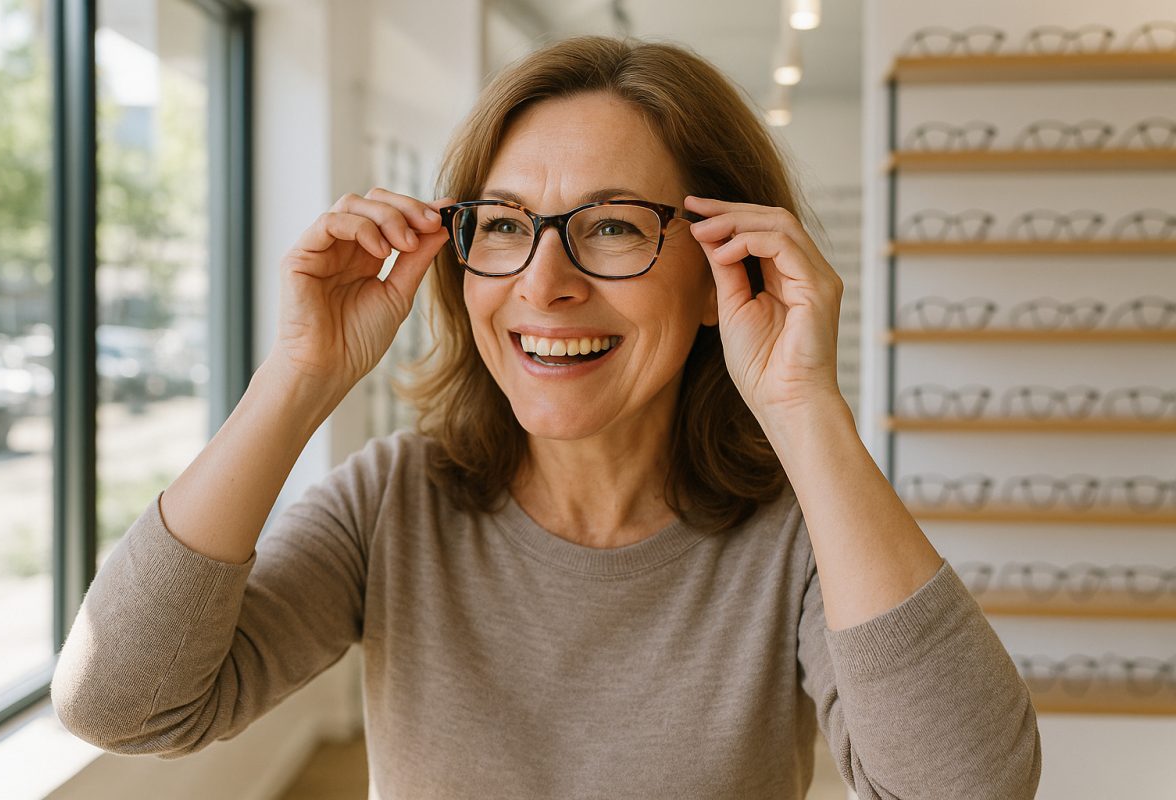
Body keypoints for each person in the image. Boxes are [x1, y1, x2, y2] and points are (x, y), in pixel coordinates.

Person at [51, 35, 1041, 799]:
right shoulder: (397, 498)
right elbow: (122, 701)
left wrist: (805, 406)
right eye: (508, 225)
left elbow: (968, 786)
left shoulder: (796, 537)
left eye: (612, 226)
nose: (544, 281)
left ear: (720, 273)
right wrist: (299, 374)